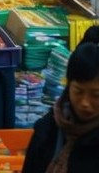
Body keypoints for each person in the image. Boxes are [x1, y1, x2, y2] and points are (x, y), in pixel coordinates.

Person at [23, 41, 99, 173]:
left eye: (96, 95)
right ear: (69, 87)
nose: (85, 103)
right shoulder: (47, 129)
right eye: (78, 92)